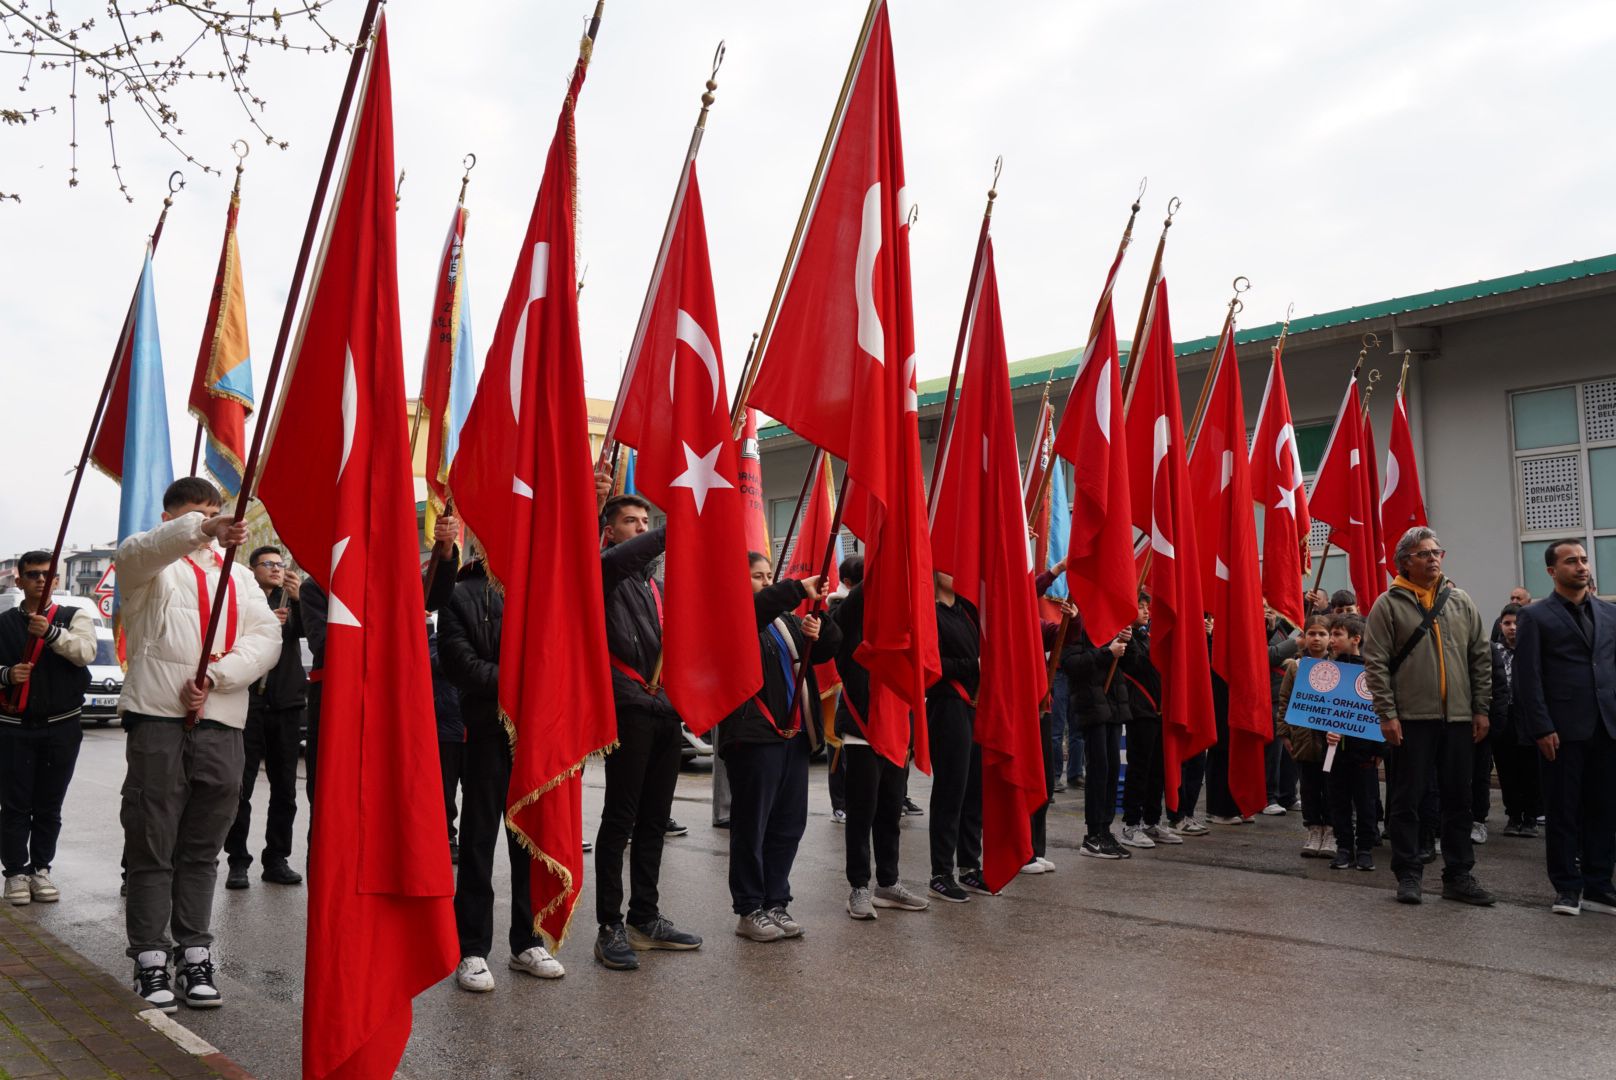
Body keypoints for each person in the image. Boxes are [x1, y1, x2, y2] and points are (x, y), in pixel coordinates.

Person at [115, 477, 281, 1012]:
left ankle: (194, 953)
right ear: (172, 518)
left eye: (216, 513)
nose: (212, 523)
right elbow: (141, 553)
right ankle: (150, 958)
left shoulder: (240, 577)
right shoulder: (149, 563)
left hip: (222, 723)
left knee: (203, 848)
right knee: (152, 842)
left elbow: (267, 638)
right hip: (158, 720)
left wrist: (218, 675)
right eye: (198, 514)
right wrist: (201, 529)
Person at [439, 551, 563, 990]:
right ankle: (472, 949)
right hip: (487, 731)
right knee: (478, 842)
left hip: (537, 734)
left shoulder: (543, 591)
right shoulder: (461, 595)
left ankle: (527, 941)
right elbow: (461, 665)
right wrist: (524, 680)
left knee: (529, 839)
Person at [593, 494, 702, 970]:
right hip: (628, 708)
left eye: (645, 521)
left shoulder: (655, 586)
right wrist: (672, 528)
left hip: (664, 709)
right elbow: (617, 561)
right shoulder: (604, 571)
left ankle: (645, 917)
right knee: (620, 820)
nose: (641, 528)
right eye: (630, 521)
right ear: (609, 531)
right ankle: (609, 925)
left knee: (655, 820)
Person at [1363, 526, 1494, 907]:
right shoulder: (1388, 604)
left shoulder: (1460, 601)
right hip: (1410, 719)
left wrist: (1480, 708)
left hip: (1458, 719)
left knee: (1459, 799)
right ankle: (1408, 874)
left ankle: (1459, 875)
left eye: (1437, 552)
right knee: (1407, 799)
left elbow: (1480, 657)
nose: (1433, 558)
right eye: (1424, 553)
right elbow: (1375, 664)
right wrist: (1387, 714)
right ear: (1405, 561)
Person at [300, 514, 460, 805]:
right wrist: (391, 626)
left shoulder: (392, 580)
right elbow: (325, 645)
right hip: (339, 702)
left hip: (390, 699)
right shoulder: (316, 585)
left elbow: (434, 594)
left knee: (387, 794)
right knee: (332, 796)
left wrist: (446, 549)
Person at [723, 556, 839, 941]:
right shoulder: (736, 616)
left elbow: (825, 651)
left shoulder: (785, 620)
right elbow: (754, 612)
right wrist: (795, 589)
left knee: (788, 825)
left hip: (794, 735)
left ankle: (776, 901)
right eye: (757, 576)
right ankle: (749, 908)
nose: (766, 581)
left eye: (769, 575)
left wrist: (819, 626)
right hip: (755, 735)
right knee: (752, 825)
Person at [1513, 540, 1616, 916]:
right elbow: (1528, 677)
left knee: (1604, 809)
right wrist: (1541, 727)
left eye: (1584, 560)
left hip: (1607, 726)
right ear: (1552, 571)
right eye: (1571, 561)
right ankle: (1567, 888)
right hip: (1561, 730)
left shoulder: (1609, 613)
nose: (1582, 566)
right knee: (1562, 811)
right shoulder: (1534, 616)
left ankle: (1599, 885)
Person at [0, 551, 95, 906]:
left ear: (56, 580)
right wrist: (7, 675)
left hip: (61, 727)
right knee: (14, 805)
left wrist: (52, 633)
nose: (40, 579)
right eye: (32, 574)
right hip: (13, 727)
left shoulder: (74, 616)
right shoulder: (4, 623)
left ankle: (41, 869)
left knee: (49, 804)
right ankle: (15, 873)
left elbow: (85, 652)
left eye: (47, 574)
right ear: (19, 580)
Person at [833, 577, 929, 920]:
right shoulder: (851, 620)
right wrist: (881, 570)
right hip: (862, 729)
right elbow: (849, 612)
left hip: (897, 727)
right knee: (862, 813)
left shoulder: (901, 625)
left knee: (890, 812)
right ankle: (858, 887)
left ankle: (888, 883)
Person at [222, 546, 305, 890]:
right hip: (250, 702)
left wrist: (299, 600)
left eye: (279, 564)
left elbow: (311, 632)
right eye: (267, 564)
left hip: (286, 703)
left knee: (284, 788)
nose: (275, 568)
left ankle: (277, 858)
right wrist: (266, 622)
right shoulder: (243, 600)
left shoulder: (292, 601)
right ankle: (237, 861)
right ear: (252, 569)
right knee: (240, 786)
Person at [926, 572, 986, 902]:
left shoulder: (968, 609)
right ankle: (941, 872)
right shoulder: (929, 612)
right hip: (947, 704)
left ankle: (969, 865)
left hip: (975, 705)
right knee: (951, 789)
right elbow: (932, 664)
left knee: (974, 788)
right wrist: (972, 665)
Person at [1063, 611, 1133, 859]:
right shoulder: (1076, 623)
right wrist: (1107, 652)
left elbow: (1128, 664)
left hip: (1112, 703)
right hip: (1092, 703)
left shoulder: (1110, 622)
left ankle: (1105, 829)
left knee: (1112, 768)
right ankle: (1092, 835)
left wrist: (1126, 642)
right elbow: (1071, 664)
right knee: (1098, 769)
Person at [1117, 592, 1177, 849]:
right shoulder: (1126, 638)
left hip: (1159, 712)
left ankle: (1152, 820)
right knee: (1139, 770)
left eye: (1146, 607)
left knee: (1157, 770)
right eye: (1140, 606)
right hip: (1140, 711)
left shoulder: (1147, 636)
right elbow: (1137, 665)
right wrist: (1128, 638)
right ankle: (1131, 824)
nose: (1145, 611)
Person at [1275, 614, 1336, 858]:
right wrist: (1284, 733)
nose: (1317, 638)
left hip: (1330, 741)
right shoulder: (1296, 667)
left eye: (1322, 634)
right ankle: (1313, 830)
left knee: (1331, 787)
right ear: (1304, 636)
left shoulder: (1340, 666)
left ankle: (1331, 831)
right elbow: (1285, 701)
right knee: (1309, 788)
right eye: (1312, 633)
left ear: (1330, 638)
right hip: (1303, 739)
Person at [1323, 614, 1379, 872]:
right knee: (1338, 802)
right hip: (1334, 753)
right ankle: (1344, 848)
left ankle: (1365, 849)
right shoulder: (1326, 670)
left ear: (1356, 639)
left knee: (1366, 803)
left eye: (1338, 635)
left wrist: (1379, 749)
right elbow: (1317, 709)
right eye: (1331, 634)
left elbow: (1380, 711)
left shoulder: (1371, 671)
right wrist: (1324, 733)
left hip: (1364, 753)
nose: (1332, 640)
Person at [1489, 604, 1539, 838]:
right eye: (1507, 623)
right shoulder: (1494, 652)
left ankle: (1531, 817)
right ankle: (1513, 815)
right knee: (1507, 768)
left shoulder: (1534, 649)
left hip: (1529, 717)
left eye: (1517, 623)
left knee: (1531, 767)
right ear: (1500, 626)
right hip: (1504, 716)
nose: (1513, 628)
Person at [429, 619, 465, 864]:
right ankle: (447, 836)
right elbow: (436, 662)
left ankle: (469, 839)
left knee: (477, 794)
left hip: (471, 727)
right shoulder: (436, 639)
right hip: (446, 729)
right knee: (445, 791)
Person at [1263, 605, 1302, 814]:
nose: (1268, 611)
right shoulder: (1256, 628)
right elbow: (1268, 655)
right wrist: (1296, 643)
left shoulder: (1284, 626)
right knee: (1274, 751)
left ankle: (1288, 795)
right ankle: (1268, 797)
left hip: (1290, 695)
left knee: (1291, 750)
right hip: (1271, 695)